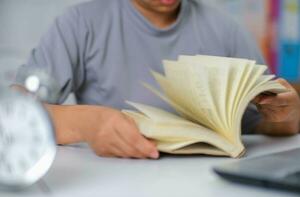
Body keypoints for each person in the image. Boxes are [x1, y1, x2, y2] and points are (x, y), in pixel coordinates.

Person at [17, 0, 300, 159]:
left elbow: (259, 122)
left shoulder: (225, 29)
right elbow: (15, 111)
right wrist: (85, 123)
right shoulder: (81, 22)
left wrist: (288, 117)